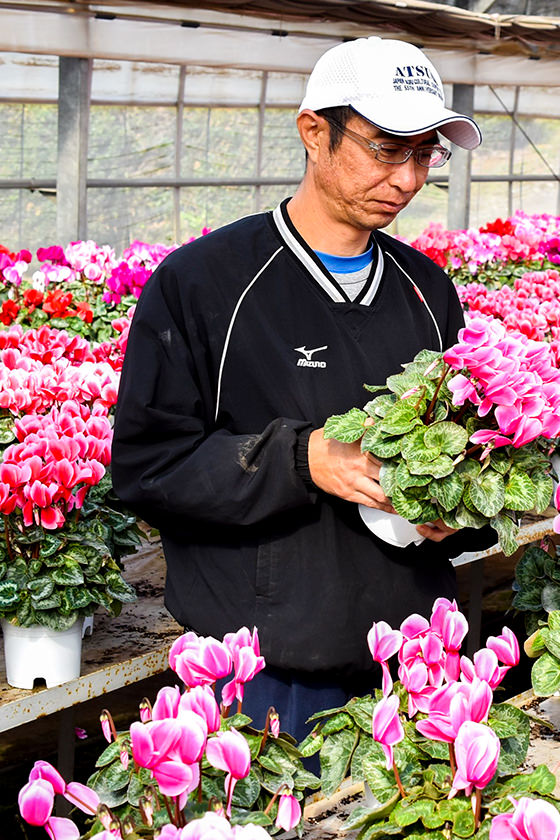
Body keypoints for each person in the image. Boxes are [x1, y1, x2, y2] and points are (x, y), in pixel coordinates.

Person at [111, 36, 494, 737]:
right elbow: (149, 469)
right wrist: (301, 460)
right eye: (386, 148)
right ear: (314, 132)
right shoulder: (204, 284)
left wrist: (460, 510)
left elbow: (465, 448)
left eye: (426, 153)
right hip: (263, 672)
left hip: (416, 661)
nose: (408, 179)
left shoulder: (426, 289)